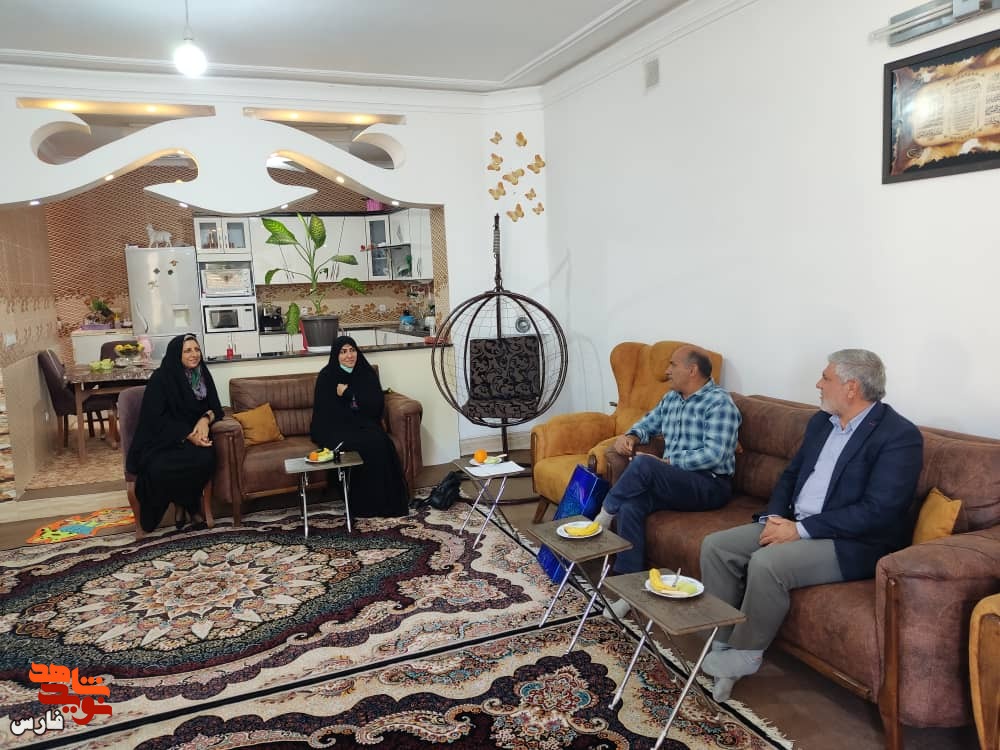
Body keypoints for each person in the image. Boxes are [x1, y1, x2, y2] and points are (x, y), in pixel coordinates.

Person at [699, 349, 923, 701]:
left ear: (851, 387)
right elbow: (790, 476)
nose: (818, 384)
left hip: (853, 542)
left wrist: (800, 530)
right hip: (794, 521)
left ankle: (746, 654)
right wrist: (775, 517)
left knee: (768, 563)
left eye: (826, 378)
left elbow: (878, 510)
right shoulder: (822, 422)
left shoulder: (899, 436)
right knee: (716, 547)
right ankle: (723, 642)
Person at [595, 345, 741, 617]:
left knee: (644, 464)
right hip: (676, 482)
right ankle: (630, 592)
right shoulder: (672, 398)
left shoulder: (719, 403)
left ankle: (602, 517)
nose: (667, 371)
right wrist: (631, 436)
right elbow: (647, 424)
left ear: (692, 370)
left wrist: (670, 463)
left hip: (710, 484)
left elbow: (715, 455)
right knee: (631, 506)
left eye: (672, 365)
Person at [126, 333, 221, 540]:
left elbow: (216, 408)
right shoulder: (161, 378)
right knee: (160, 467)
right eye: (187, 351)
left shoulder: (202, 374)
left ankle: (185, 504)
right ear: (176, 354)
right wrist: (187, 435)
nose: (194, 354)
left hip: (194, 437)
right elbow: (156, 419)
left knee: (206, 458)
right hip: (162, 440)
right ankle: (186, 505)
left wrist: (205, 420)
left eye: (196, 349)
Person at [310, 336, 409, 518]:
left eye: (352, 350)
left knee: (380, 441)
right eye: (343, 352)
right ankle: (361, 504)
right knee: (359, 444)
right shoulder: (327, 376)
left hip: (364, 423)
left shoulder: (366, 372)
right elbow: (325, 412)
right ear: (336, 355)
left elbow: (375, 405)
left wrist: (349, 394)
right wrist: (352, 411)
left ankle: (385, 501)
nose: (349, 355)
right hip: (334, 427)